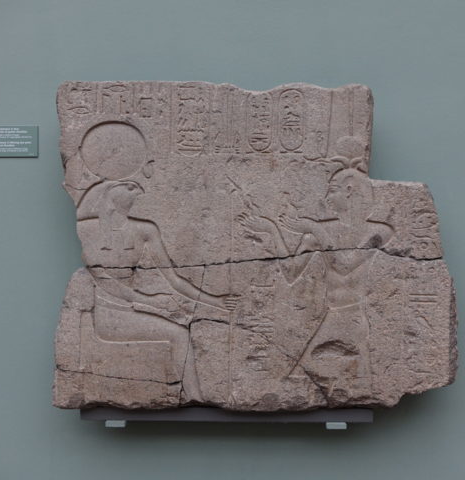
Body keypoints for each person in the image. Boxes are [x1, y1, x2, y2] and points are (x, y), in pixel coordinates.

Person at [238, 137, 393, 401]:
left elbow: (345, 265)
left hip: (352, 319)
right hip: (333, 317)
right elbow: (290, 271)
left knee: (308, 381)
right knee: (318, 382)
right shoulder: (320, 232)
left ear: (349, 191)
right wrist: (272, 230)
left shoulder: (378, 232)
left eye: (333, 190)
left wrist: (313, 227)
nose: (327, 197)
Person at [77, 180, 239, 402]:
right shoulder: (87, 229)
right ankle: (196, 399)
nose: (136, 193)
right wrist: (151, 301)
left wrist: (215, 301)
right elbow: (105, 282)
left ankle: (195, 398)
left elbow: (174, 280)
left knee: (182, 325)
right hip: (109, 316)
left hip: (133, 308)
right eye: (129, 188)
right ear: (109, 195)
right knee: (179, 334)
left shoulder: (145, 230)